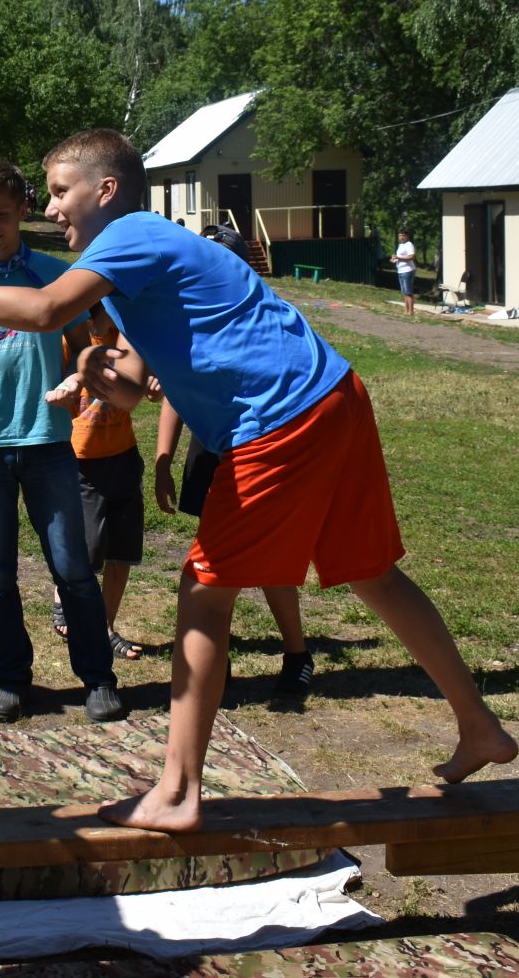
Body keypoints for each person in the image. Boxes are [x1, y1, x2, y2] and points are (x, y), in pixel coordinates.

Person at [0, 129, 516, 831]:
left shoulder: (130, 237)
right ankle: (479, 726)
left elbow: (41, 310)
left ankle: (179, 791)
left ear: (106, 190)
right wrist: (92, 372)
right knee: (373, 574)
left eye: (59, 191)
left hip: (280, 414)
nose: (50, 208)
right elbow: (131, 389)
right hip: (332, 394)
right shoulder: (131, 266)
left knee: (204, 591)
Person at [0, 161, 122, 724]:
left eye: (1, 216)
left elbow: (88, 343)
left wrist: (79, 379)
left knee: (73, 568)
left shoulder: (57, 278)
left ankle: (97, 677)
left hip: (47, 443)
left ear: (23, 212)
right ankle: (11, 679)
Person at [150, 224, 315, 707]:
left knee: (271, 559)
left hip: (262, 445)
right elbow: (176, 394)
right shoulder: (191, 312)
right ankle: (216, 660)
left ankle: (297, 653)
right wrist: (163, 459)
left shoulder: (263, 314)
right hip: (213, 449)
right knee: (216, 557)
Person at [44, 303, 152, 662]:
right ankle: (64, 599)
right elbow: (49, 397)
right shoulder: (69, 342)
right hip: (82, 462)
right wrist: (62, 398)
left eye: (100, 309)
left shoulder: (128, 342)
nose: (94, 318)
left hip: (123, 456)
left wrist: (154, 385)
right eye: (88, 311)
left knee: (122, 552)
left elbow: (148, 389)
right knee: (87, 549)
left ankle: (105, 626)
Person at [394, 227, 418, 318]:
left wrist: (399, 258)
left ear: (407, 236)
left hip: (407, 270)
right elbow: (400, 257)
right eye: (400, 235)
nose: (401, 237)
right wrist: (394, 259)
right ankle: (406, 310)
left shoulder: (409, 244)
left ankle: (411, 311)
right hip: (400, 270)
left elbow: (411, 257)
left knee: (408, 291)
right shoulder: (401, 245)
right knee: (404, 292)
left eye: (403, 235)